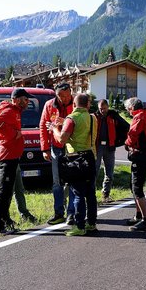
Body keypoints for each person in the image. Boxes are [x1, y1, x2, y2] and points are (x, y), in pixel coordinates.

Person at [0, 88, 34, 236]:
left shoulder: (15, 111)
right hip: (7, 157)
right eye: (25, 99)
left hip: (12, 157)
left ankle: (5, 221)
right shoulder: (10, 111)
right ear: (17, 99)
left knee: (7, 193)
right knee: (3, 193)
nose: (28, 102)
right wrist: (15, 134)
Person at [52, 93, 98, 237]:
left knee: (78, 193)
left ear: (74, 104)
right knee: (90, 193)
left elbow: (61, 140)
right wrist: (64, 122)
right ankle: (91, 223)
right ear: (88, 104)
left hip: (76, 159)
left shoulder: (71, 119)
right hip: (91, 157)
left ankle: (79, 226)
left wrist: (54, 128)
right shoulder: (93, 118)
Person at [123, 97, 146, 232]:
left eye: (128, 109)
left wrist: (128, 144)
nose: (127, 111)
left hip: (140, 155)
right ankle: (138, 215)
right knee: (135, 187)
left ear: (132, 108)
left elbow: (132, 134)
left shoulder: (138, 117)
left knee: (137, 188)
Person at [40, 82, 75, 225]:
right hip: (56, 147)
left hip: (73, 148)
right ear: (56, 94)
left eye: (67, 95)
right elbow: (43, 126)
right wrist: (45, 148)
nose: (65, 98)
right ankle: (58, 213)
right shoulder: (49, 105)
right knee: (57, 183)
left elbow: (82, 121)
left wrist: (65, 121)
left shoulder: (76, 103)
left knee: (73, 181)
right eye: (62, 96)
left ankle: (72, 213)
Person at [94, 98, 129, 202]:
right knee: (94, 172)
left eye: (104, 108)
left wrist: (120, 141)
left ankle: (106, 195)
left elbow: (127, 126)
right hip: (97, 147)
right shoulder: (94, 117)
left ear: (108, 107)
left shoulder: (114, 116)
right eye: (100, 109)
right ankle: (92, 196)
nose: (102, 111)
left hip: (110, 147)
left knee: (109, 173)